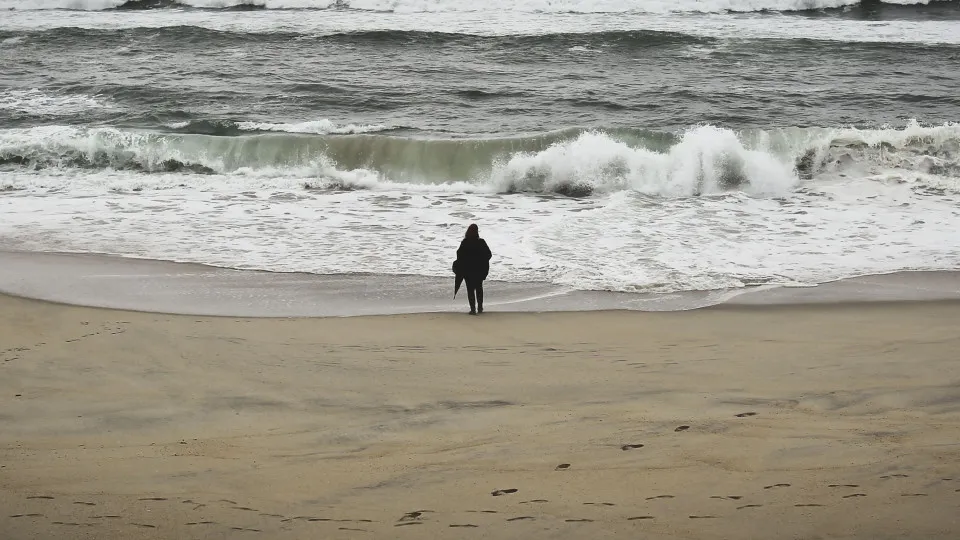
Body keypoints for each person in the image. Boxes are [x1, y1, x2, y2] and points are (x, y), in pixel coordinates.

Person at [455, 224, 492, 315]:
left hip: (468, 270)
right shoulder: (481, 242)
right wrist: (482, 261)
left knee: (470, 289)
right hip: (479, 270)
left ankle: (473, 309)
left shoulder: (465, 242)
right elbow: (489, 255)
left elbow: (459, 255)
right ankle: (480, 307)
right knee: (479, 288)